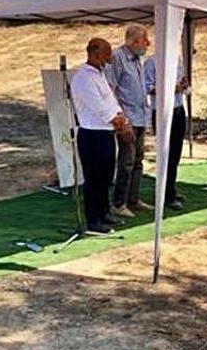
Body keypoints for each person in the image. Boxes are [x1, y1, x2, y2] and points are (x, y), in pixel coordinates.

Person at [71, 38, 135, 233]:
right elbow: (99, 108)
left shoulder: (99, 75)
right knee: (94, 179)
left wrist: (122, 120)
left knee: (107, 177)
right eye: (107, 53)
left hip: (106, 134)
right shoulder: (83, 77)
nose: (110, 57)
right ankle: (94, 220)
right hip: (92, 135)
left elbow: (111, 102)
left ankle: (105, 213)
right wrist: (120, 124)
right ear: (95, 53)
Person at [105, 25, 152, 217]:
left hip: (140, 117)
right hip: (127, 119)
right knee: (126, 162)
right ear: (133, 42)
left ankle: (133, 199)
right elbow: (110, 89)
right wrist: (122, 119)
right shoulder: (118, 57)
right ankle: (118, 203)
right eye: (144, 40)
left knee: (138, 160)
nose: (148, 44)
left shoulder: (137, 60)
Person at [142, 46, 192, 211]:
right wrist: (171, 89)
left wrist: (183, 84)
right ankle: (166, 194)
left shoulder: (177, 60)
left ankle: (171, 188)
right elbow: (148, 87)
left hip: (178, 109)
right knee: (166, 154)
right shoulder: (151, 62)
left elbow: (182, 79)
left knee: (176, 154)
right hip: (162, 112)